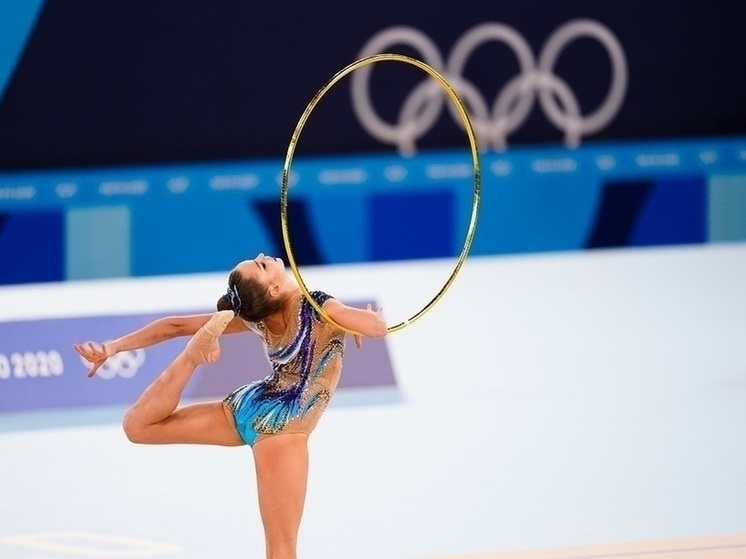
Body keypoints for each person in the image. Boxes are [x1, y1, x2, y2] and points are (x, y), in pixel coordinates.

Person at [74, 253, 387, 559]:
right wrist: (361, 320)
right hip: (281, 428)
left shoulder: (258, 316)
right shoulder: (317, 304)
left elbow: (174, 326)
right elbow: (377, 328)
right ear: (274, 288)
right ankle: (193, 355)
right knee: (281, 551)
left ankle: (191, 357)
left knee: (138, 426)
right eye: (262, 265)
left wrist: (112, 347)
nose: (263, 255)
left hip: (249, 407)